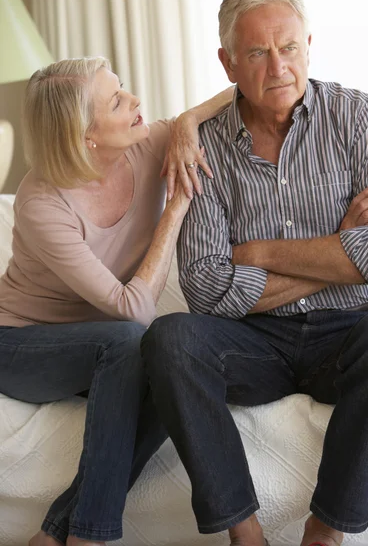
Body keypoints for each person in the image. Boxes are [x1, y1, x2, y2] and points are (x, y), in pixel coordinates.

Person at [142, 0, 368, 546]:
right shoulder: (201, 145)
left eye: (288, 48)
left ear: (309, 44)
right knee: (171, 338)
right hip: (252, 341)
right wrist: (335, 247)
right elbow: (208, 287)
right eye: (257, 52)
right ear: (228, 63)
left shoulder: (360, 119)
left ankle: (325, 530)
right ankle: (246, 533)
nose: (277, 66)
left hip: (348, 334)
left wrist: (255, 254)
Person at [0, 56, 232, 546]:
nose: (136, 102)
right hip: (20, 344)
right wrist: (174, 212)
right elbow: (132, 311)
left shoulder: (144, 145)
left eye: (123, 89)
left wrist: (187, 122)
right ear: (86, 135)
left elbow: (231, 97)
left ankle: (59, 530)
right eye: (117, 101)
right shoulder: (42, 202)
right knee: (131, 341)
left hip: (100, 343)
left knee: (173, 369)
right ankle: (92, 536)